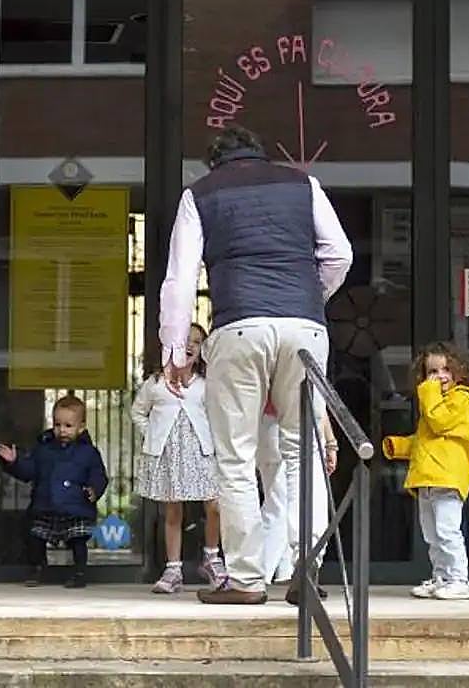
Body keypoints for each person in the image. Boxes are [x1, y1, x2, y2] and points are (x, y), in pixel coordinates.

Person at [159, 124, 353, 604]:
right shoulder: (302, 185)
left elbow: (180, 279)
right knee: (302, 451)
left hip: (239, 325)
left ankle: (246, 579)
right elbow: (339, 254)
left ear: (214, 162)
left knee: (237, 456)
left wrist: (176, 348)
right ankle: (305, 570)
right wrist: (312, 300)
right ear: (261, 153)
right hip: (305, 327)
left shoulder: (200, 194)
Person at [382, 342, 469, 601]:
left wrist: (428, 393)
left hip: (448, 477)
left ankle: (459, 579)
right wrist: (400, 446)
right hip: (428, 477)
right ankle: (441, 577)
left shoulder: (461, 400)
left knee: (448, 531)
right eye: (432, 372)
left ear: (459, 372)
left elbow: (440, 424)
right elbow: (425, 441)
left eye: (446, 369)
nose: (440, 376)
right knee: (432, 534)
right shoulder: (435, 404)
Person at [130, 323, 227, 594]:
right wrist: (152, 434)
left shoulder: (207, 386)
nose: (190, 345)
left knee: (214, 505)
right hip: (169, 453)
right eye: (185, 340)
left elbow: (218, 417)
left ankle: (211, 557)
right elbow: (138, 412)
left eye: (197, 341)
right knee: (173, 510)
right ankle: (173, 568)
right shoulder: (156, 383)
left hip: (202, 452)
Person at [0, 393, 109, 589]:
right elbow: (29, 471)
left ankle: (79, 572)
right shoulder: (44, 449)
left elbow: (99, 475)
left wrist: (94, 489)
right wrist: (15, 462)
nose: (62, 430)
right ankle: (37, 568)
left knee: (77, 540)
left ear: (81, 427)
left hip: (76, 507)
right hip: (46, 505)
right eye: (58, 425)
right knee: (36, 538)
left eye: (68, 426)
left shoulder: (89, 452)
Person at [258, 401, 337, 590]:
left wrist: (330, 442)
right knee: (281, 502)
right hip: (278, 424)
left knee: (283, 501)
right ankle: (261, 573)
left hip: (276, 424)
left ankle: (286, 572)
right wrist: (331, 442)